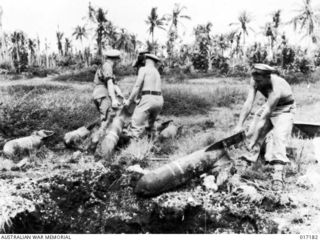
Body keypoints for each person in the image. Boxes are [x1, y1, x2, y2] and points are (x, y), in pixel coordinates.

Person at [234, 63, 295, 191]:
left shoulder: (275, 89)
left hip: (284, 108)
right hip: (269, 105)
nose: (257, 83)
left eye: (260, 80)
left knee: (279, 137)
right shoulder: (255, 80)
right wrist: (239, 125)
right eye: (255, 80)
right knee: (252, 131)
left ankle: (278, 172)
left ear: (268, 77)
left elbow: (263, 119)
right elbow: (249, 102)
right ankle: (247, 160)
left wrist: (254, 140)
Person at [124, 53, 163, 139]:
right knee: (151, 125)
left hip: (148, 98)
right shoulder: (156, 72)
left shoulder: (143, 69)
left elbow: (137, 86)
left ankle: (134, 148)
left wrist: (129, 101)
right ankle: (154, 144)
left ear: (145, 60)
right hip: (159, 100)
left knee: (136, 125)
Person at [91, 49, 124, 149]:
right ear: (116, 59)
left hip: (98, 94)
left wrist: (122, 97)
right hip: (103, 94)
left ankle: (98, 145)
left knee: (106, 119)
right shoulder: (108, 66)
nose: (118, 63)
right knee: (106, 121)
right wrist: (114, 100)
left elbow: (114, 85)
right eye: (118, 60)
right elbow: (110, 83)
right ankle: (95, 147)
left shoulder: (105, 66)